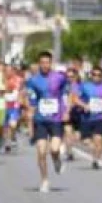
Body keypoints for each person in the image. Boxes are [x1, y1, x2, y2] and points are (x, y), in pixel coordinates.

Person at [24, 51, 68, 193]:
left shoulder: (60, 78)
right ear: (39, 64)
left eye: (47, 62)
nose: (45, 65)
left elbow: (65, 94)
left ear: (51, 63)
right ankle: (44, 180)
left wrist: (66, 111)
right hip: (41, 119)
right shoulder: (33, 80)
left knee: (54, 149)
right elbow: (31, 99)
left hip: (55, 119)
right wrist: (30, 115)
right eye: (42, 63)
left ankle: (56, 160)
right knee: (41, 151)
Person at [76, 66, 102, 169]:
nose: (96, 77)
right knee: (86, 141)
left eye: (99, 75)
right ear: (91, 75)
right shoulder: (84, 86)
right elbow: (76, 99)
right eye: (94, 75)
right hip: (86, 118)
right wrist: (84, 105)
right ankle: (95, 150)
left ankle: (95, 161)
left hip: (100, 118)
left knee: (99, 140)